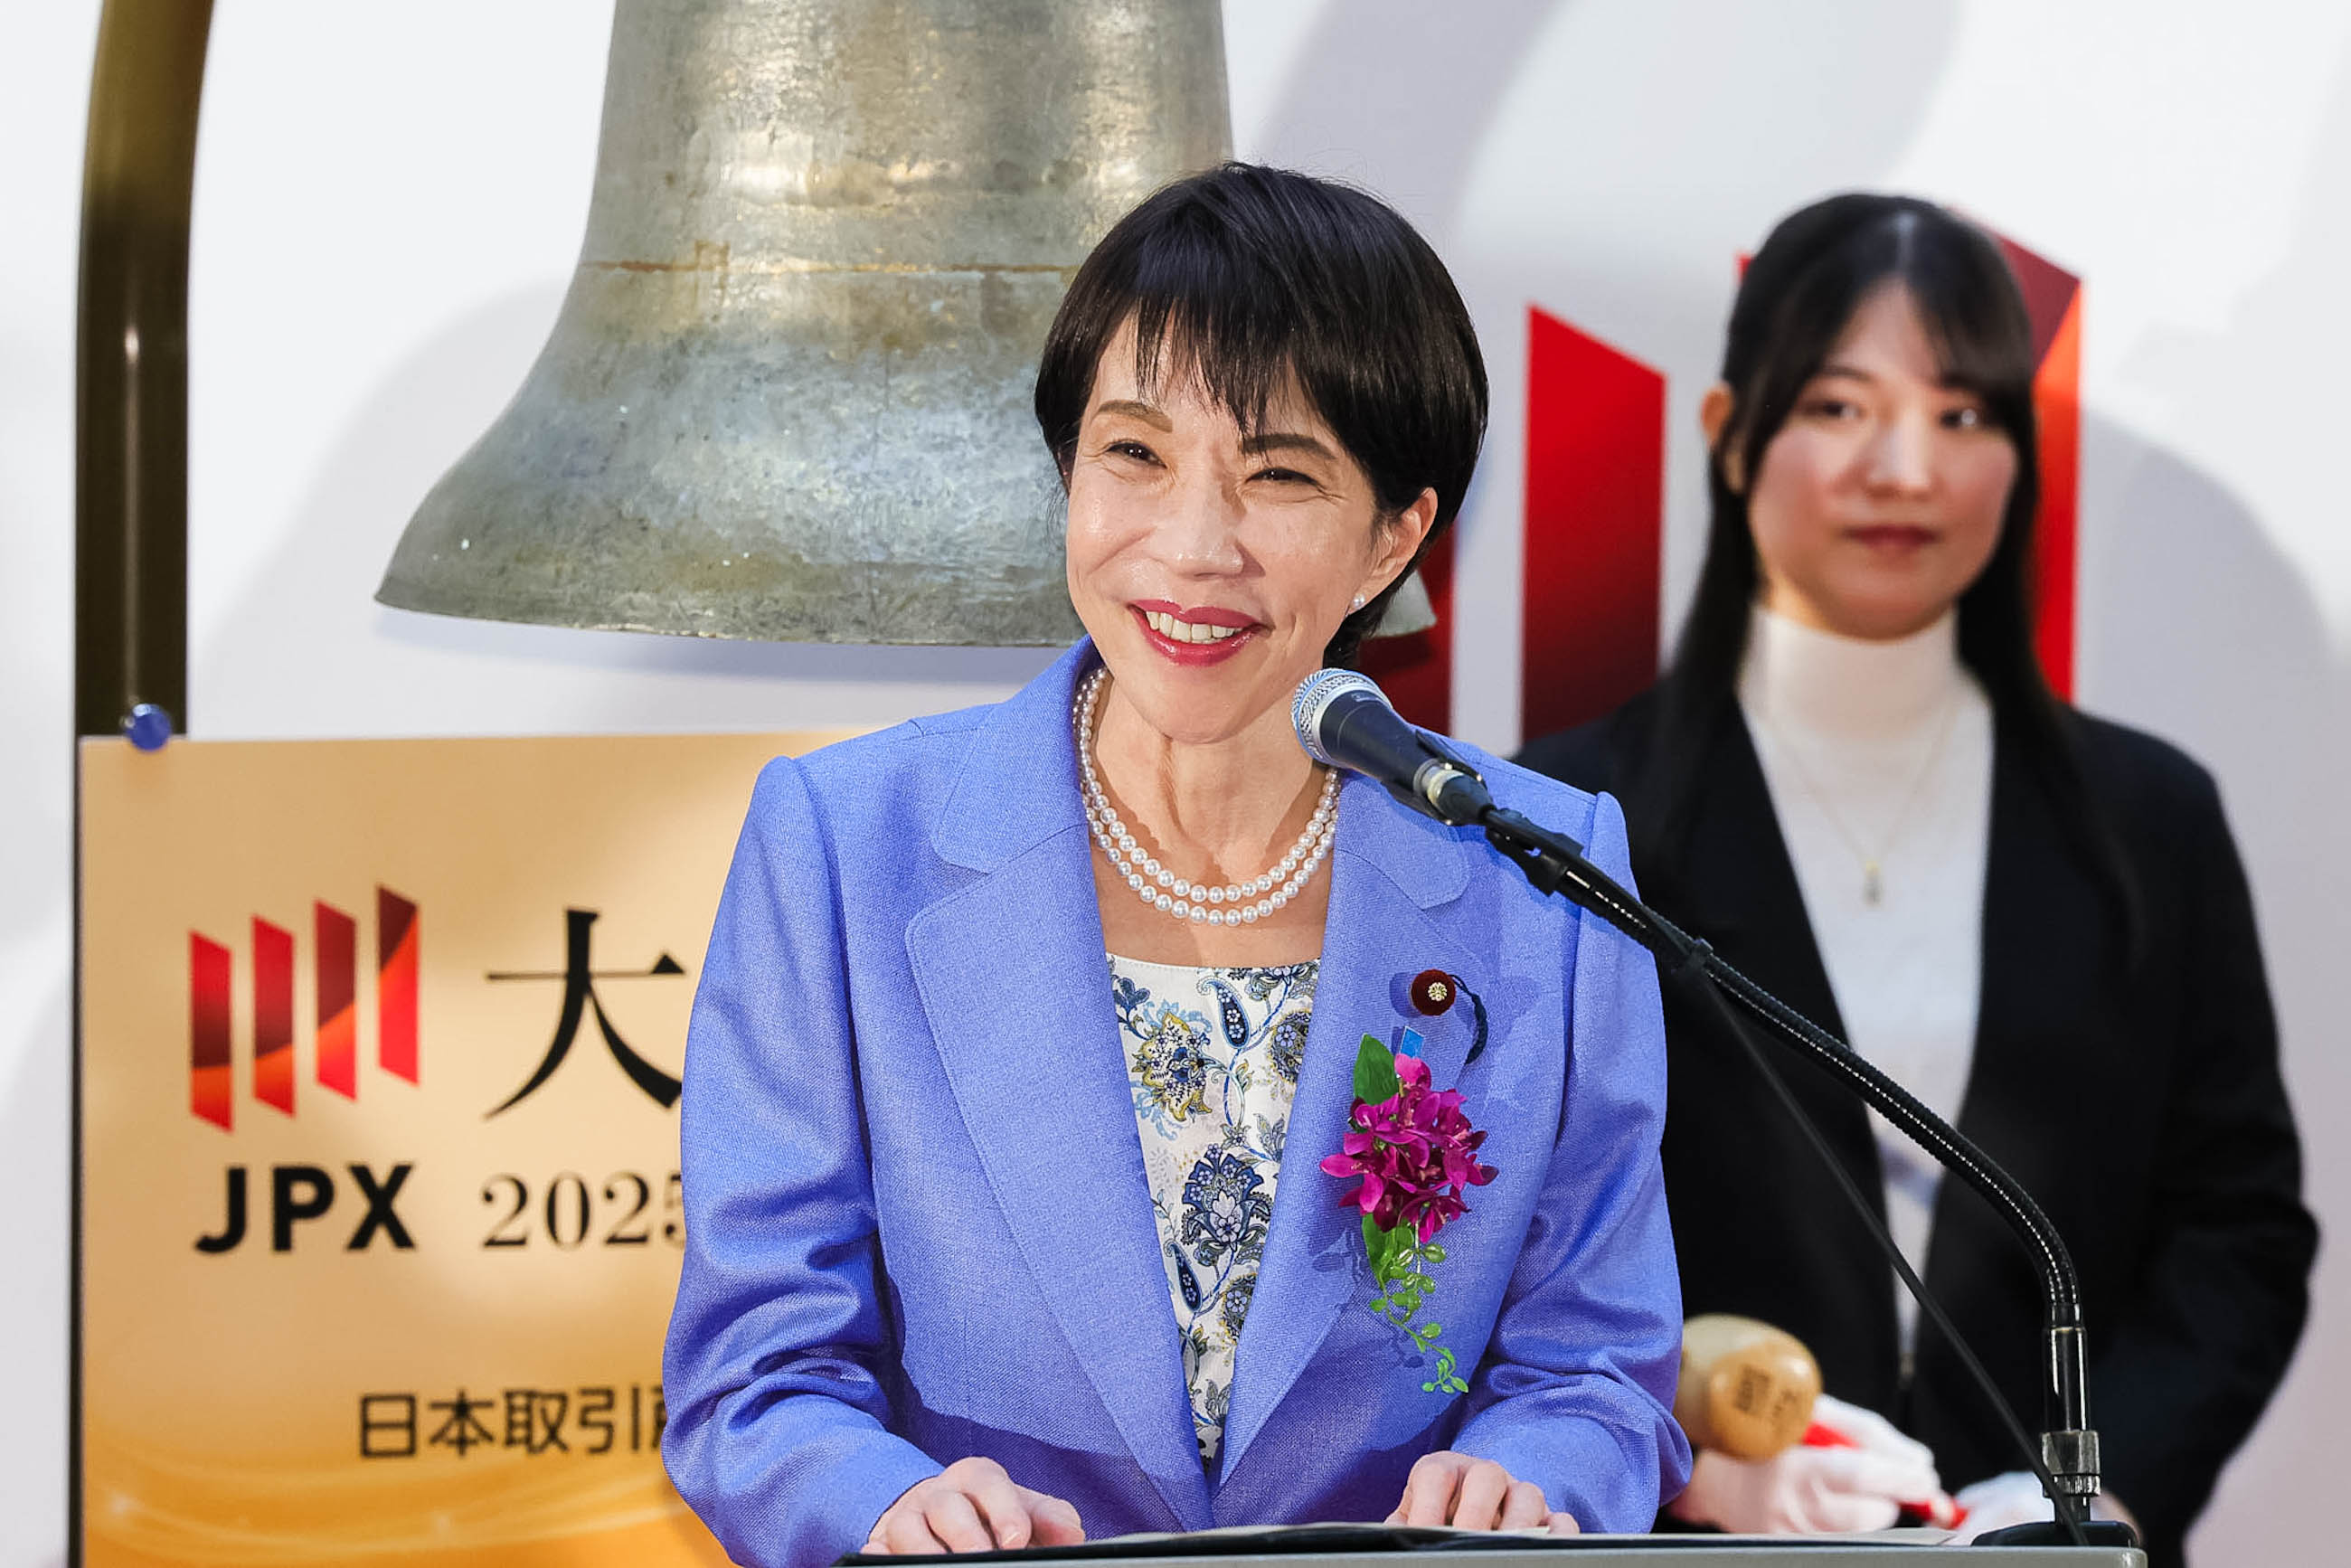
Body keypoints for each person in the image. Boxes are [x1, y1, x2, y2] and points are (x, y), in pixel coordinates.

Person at [662, 164, 1692, 1568]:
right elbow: (757, 1373)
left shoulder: (1538, 877)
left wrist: (1527, 1476)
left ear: (1395, 535)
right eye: (1134, 454)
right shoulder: (844, 846)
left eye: (1279, 474)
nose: (1193, 547)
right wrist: (880, 1501)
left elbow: (1595, 1363)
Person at [1517, 193, 2317, 1566]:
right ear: (1730, 434)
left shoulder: (2150, 818)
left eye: (1963, 414)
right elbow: (1508, 1239)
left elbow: (2235, 1232)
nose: (1906, 470)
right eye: (1840, 407)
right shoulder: (1569, 819)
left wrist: (2096, 1497)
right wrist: (1679, 1455)